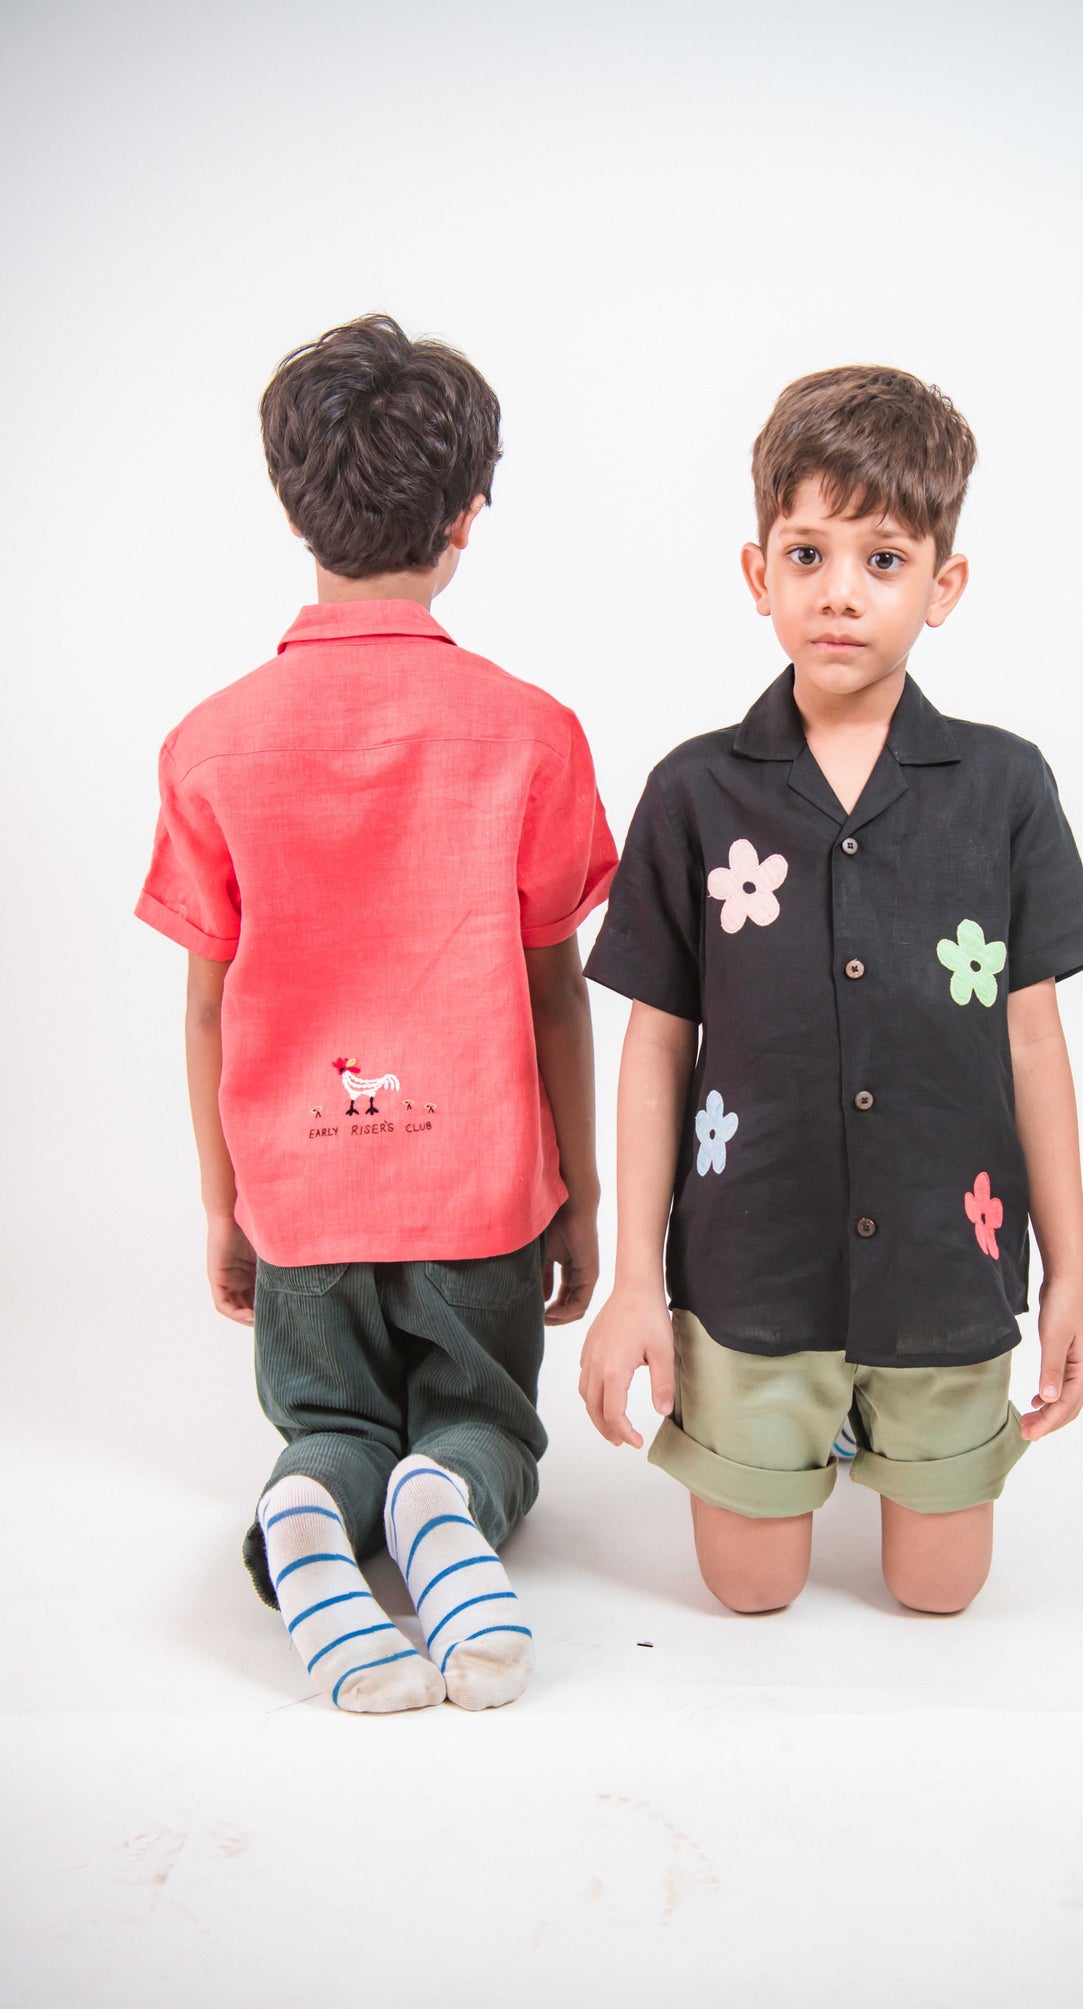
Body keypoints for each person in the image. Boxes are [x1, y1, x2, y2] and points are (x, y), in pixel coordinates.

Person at [136, 315, 616, 1710]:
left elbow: (209, 1005)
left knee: (326, 1420)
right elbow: (554, 989)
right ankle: (447, 1502)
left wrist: (228, 1201)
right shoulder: (532, 733)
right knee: (482, 1420)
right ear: (469, 512)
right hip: (477, 1196)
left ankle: (307, 1512)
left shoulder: (211, 743)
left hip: (302, 1200)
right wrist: (572, 1193)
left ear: (296, 508)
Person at [580, 365, 1083, 1617]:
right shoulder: (695, 793)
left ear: (943, 586)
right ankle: (777, 1431)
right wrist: (634, 1282)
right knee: (748, 1591)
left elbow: (1033, 1043)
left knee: (938, 1592)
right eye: (807, 552)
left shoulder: (1004, 787)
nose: (838, 593)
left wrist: (1070, 1269)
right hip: (750, 1271)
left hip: (947, 1264)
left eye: (882, 559)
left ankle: (900, 1438)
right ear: (758, 571)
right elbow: (656, 1047)